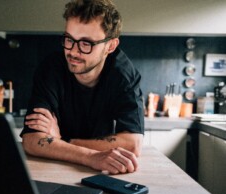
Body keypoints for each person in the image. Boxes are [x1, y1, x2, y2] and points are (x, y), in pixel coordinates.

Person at [20, 0, 144, 175]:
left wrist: (62, 141)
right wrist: (91, 156)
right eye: (69, 39)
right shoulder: (51, 68)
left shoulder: (124, 75)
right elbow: (31, 139)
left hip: (103, 172)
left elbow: (133, 144)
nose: (73, 51)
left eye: (86, 43)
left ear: (110, 46)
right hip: (53, 168)